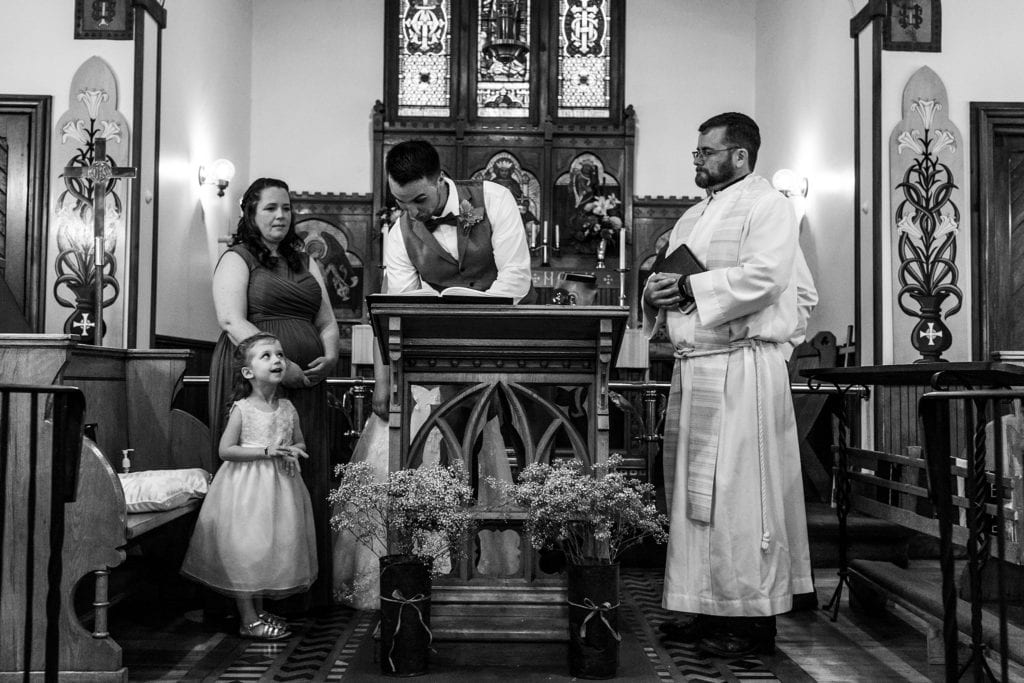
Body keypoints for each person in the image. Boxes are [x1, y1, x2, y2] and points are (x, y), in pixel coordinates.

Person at [643, 112, 816, 658]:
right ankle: (698, 602)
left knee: (740, 496)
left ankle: (750, 615)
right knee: (695, 499)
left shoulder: (770, 206)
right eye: (696, 153)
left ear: (739, 155)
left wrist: (775, 348)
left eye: (706, 152)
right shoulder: (694, 214)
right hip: (696, 367)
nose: (697, 161)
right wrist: (658, 295)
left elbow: (770, 279)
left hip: (742, 370)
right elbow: (672, 282)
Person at [209, 177, 339, 609]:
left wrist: (332, 354)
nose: (281, 215)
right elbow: (231, 320)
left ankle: (299, 589)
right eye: (270, 208)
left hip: (308, 384)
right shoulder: (237, 258)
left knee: (302, 473)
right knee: (257, 487)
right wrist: (282, 366)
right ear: (250, 213)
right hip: (255, 376)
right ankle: (251, 594)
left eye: (286, 207)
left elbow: (326, 319)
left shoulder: (304, 260)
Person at [182, 333, 317, 640]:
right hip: (245, 489)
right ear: (248, 371)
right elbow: (226, 450)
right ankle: (248, 619)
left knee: (266, 548)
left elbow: (299, 440)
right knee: (246, 548)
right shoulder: (243, 408)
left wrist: (294, 449)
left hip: (281, 489)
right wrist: (266, 451)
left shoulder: (287, 407)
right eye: (266, 356)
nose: (277, 360)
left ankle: (257, 610)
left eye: (280, 354)